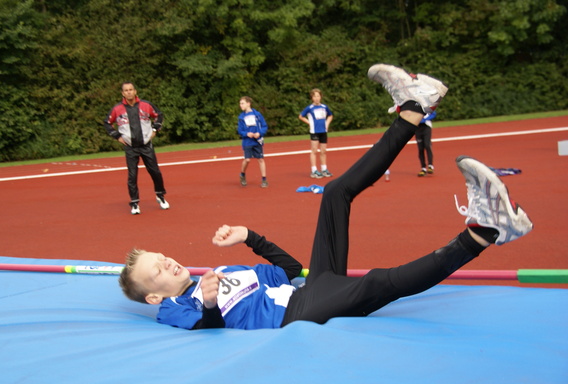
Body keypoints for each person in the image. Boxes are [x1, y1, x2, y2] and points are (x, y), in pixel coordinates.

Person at [118, 64, 533, 330]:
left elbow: (292, 268)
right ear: (155, 295)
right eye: (158, 270)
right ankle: (486, 231)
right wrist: (209, 306)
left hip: (308, 289)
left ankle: (414, 108)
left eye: (160, 256)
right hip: (296, 316)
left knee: (334, 193)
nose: (167, 262)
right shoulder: (176, 307)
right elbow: (203, 327)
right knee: (377, 283)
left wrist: (249, 235)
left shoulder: (224, 268)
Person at [104, 82, 169, 215]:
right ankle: (134, 203)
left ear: (135, 91)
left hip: (146, 144)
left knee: (155, 172)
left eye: (131, 90)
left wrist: (155, 129)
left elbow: (159, 115)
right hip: (130, 147)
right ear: (123, 93)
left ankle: (160, 196)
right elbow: (107, 123)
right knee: (132, 176)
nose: (129, 92)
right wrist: (117, 136)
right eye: (126, 90)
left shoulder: (146, 105)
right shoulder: (117, 109)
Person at [298, 89, 334, 178]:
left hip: (323, 131)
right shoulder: (309, 108)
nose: (317, 98)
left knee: (323, 151)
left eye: (318, 96)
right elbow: (301, 116)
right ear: (312, 98)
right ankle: (314, 170)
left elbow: (330, 115)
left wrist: (327, 123)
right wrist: (309, 123)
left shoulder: (324, 107)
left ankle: (324, 169)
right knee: (314, 150)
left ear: (321, 97)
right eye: (314, 96)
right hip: (314, 132)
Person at [237, 96, 269, 188]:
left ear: (248, 103)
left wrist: (260, 133)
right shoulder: (241, 117)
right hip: (247, 141)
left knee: (261, 159)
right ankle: (242, 174)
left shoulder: (257, 115)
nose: (240, 105)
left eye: (242, 103)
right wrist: (247, 134)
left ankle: (264, 179)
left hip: (257, 141)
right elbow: (240, 130)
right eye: (240, 103)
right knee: (247, 159)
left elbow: (264, 126)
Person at [416, 111, 437, 176]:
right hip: (417, 128)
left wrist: (424, 119)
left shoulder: (426, 104)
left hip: (426, 127)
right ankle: (423, 168)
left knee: (427, 145)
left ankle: (430, 165)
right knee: (420, 148)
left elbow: (433, 113)